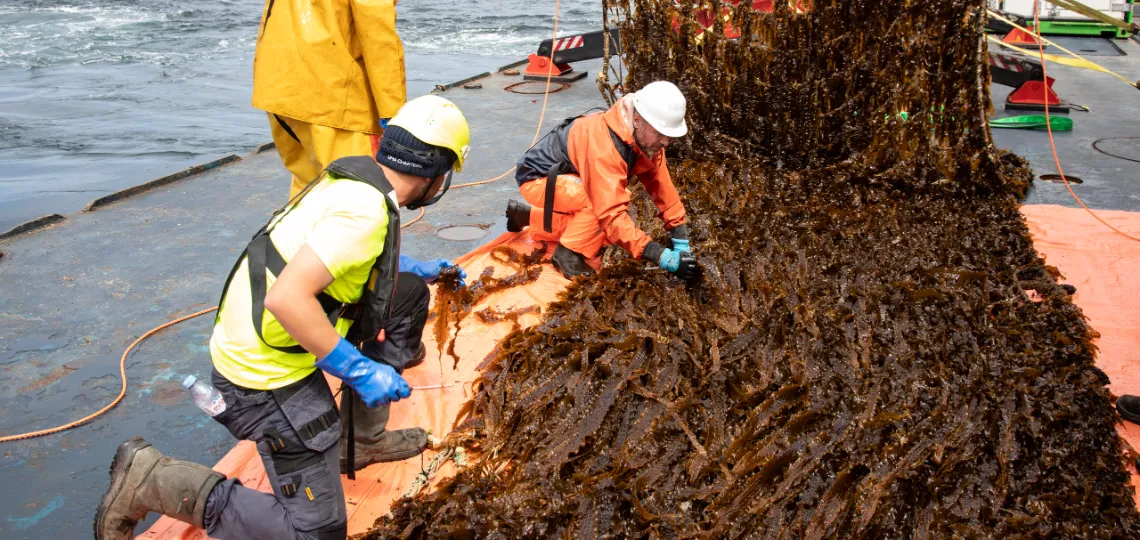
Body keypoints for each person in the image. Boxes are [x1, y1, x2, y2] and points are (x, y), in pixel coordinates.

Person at [94, 95, 471, 540]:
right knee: (317, 533)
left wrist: (415, 267)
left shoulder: (357, 179)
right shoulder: (366, 213)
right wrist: (359, 369)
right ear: (437, 172)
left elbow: (335, 253)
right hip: (262, 373)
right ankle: (151, 478)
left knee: (405, 296)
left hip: (253, 330)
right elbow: (287, 299)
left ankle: (364, 440)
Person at [503, 81, 699, 281]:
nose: (665, 142)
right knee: (599, 209)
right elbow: (610, 215)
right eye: (660, 134)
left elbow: (662, 186)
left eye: (669, 136)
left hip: (568, 178)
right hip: (537, 179)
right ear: (638, 120)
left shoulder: (644, 139)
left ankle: (529, 217)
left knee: (603, 233)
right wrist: (660, 255)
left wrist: (680, 237)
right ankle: (567, 254)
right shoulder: (605, 146)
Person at [253, 0, 407, 197]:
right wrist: (394, 114)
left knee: (308, 187)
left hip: (279, 83)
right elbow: (378, 37)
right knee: (357, 193)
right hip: (332, 96)